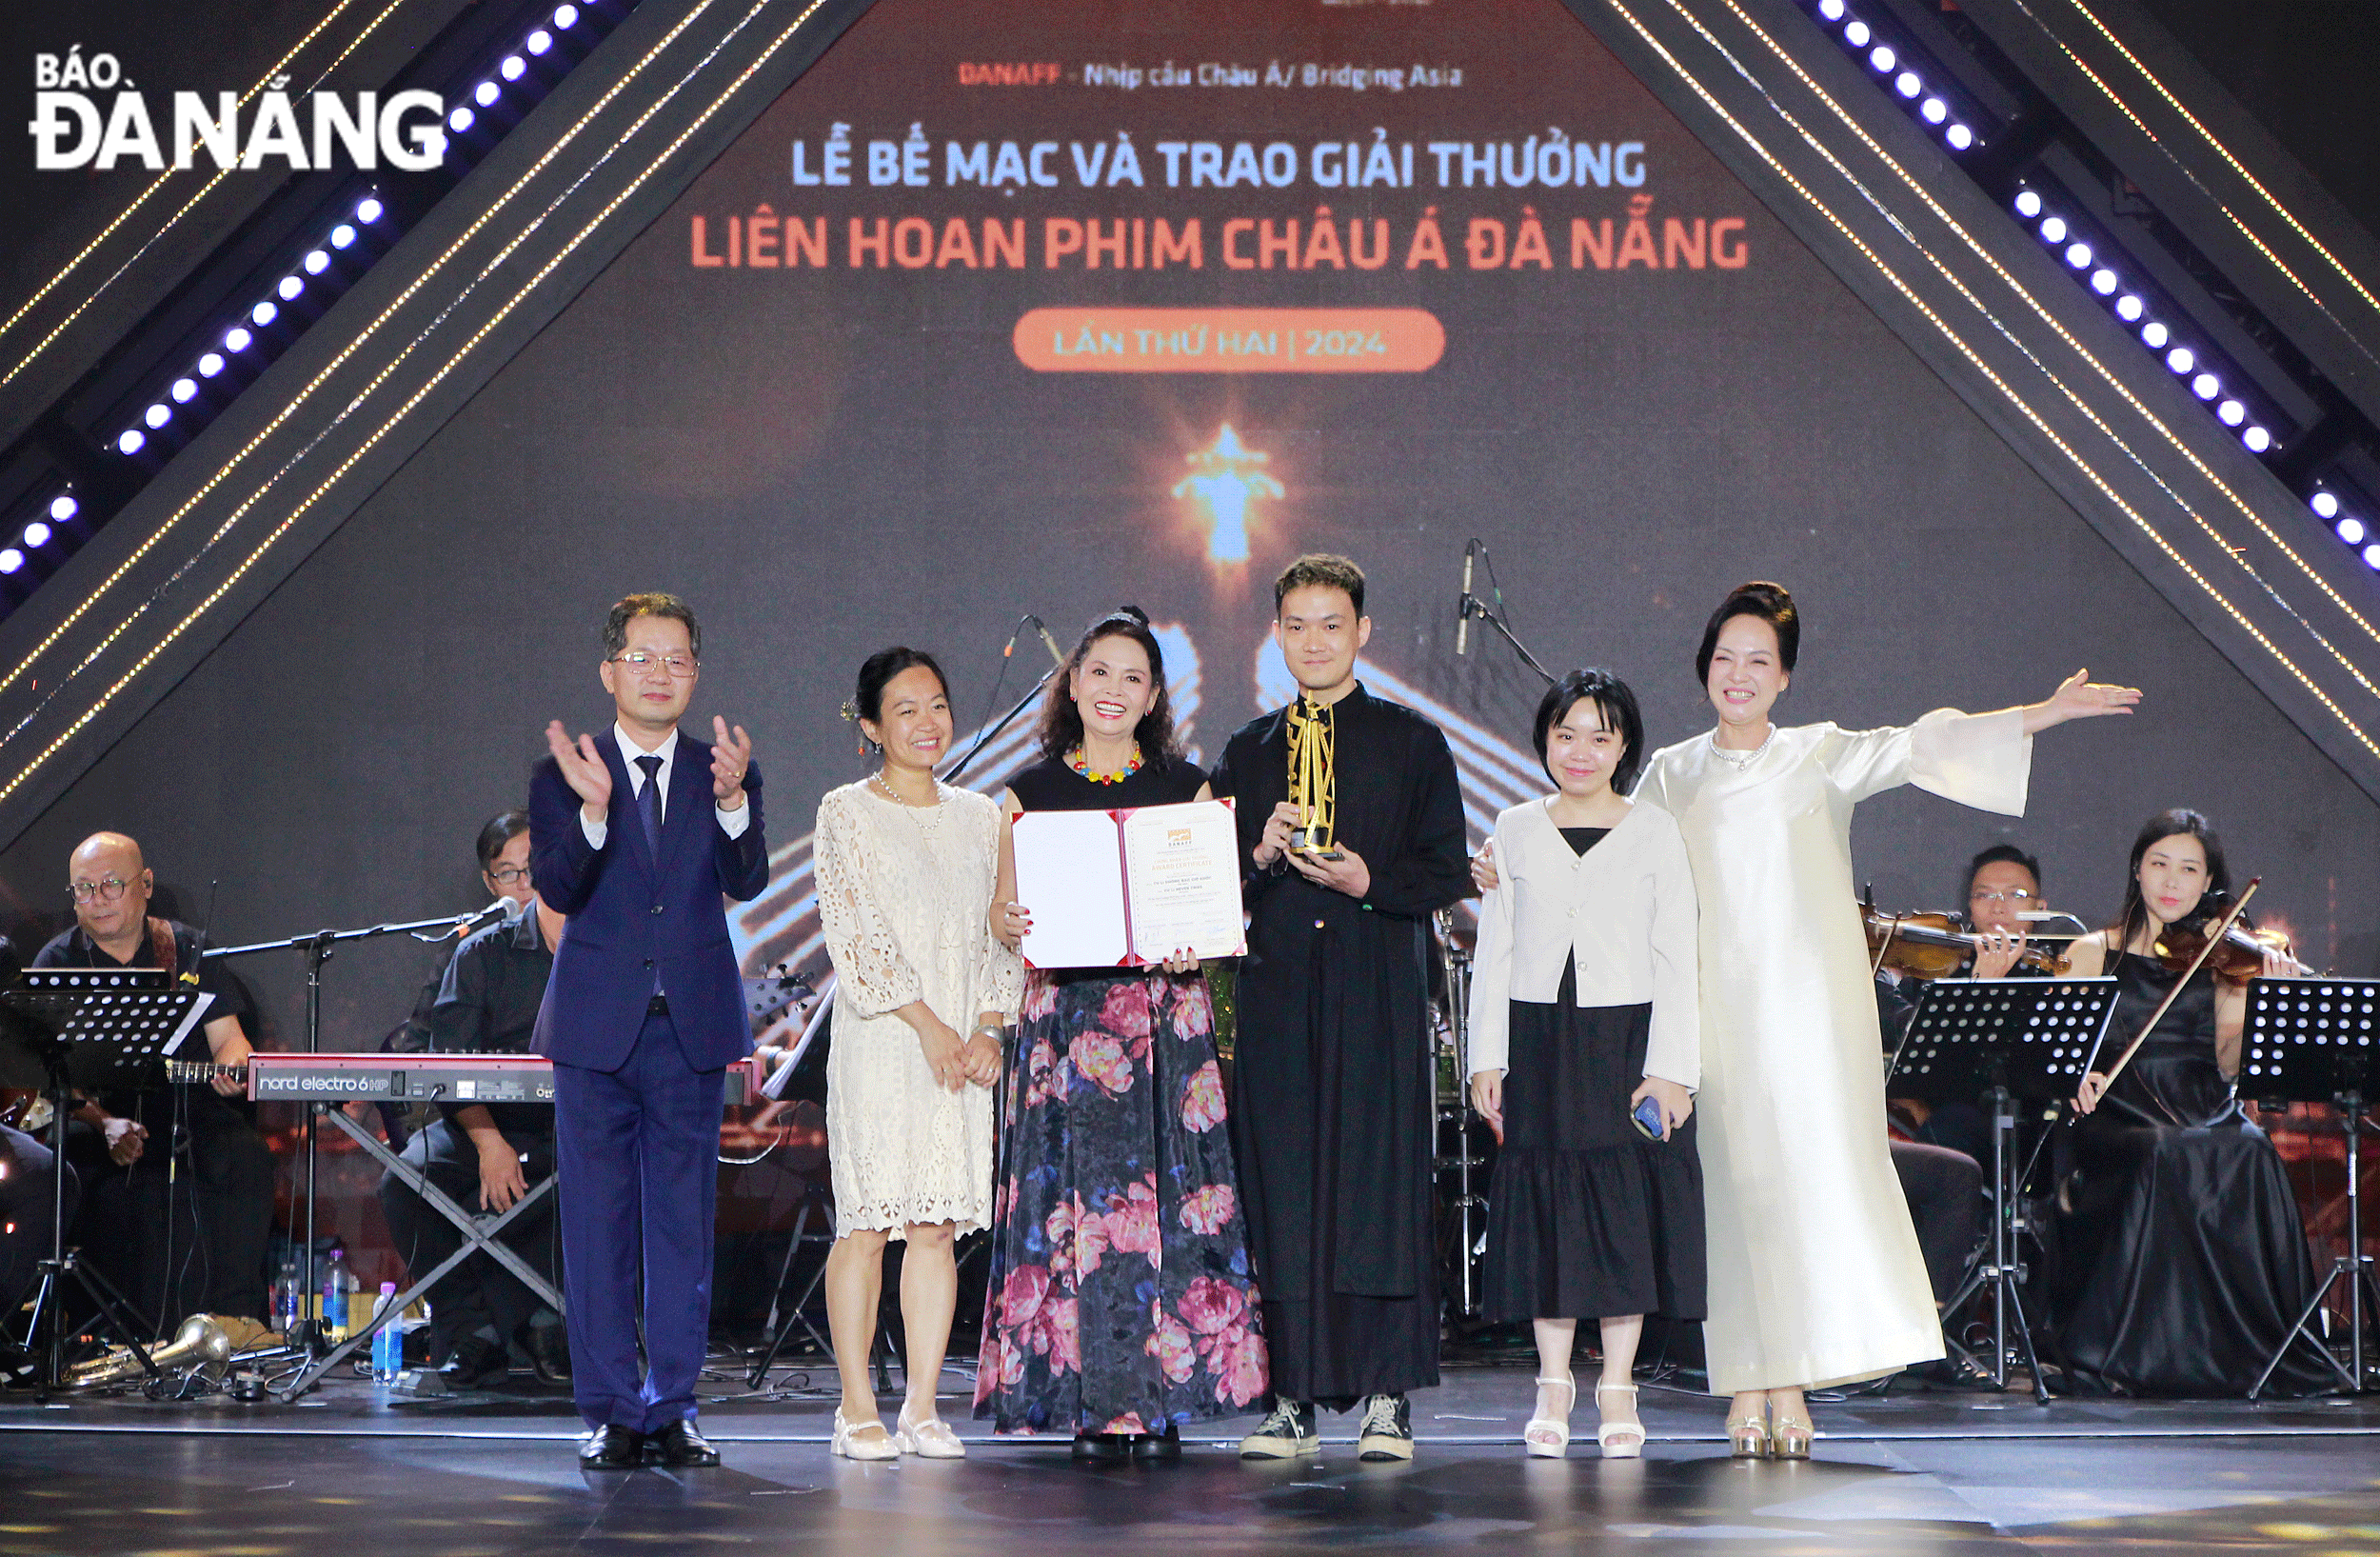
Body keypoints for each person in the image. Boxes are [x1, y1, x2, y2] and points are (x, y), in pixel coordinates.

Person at [1633, 581, 2136, 1457]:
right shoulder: (1672, 772)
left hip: (1814, 1019)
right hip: (1713, 1016)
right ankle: (1748, 1380)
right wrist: (1510, 867)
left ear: (1785, 676)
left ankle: (1787, 1378)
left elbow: (1924, 743)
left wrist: (2037, 715)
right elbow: (1618, 859)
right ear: (1704, 668)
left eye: (1760, 660)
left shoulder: (1818, 754)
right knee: (1737, 1198)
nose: (1739, 674)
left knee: (1805, 1194)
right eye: (1725, 658)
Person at [977, 609, 1265, 1461]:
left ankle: (1158, 1400)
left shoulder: (1189, 787)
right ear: (1073, 683)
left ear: (1152, 696)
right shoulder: (1028, 792)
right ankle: (1089, 1405)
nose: (1113, 689)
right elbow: (1003, 911)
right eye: (1098, 671)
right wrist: (1006, 915)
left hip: (1161, 1020)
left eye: (1132, 676)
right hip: (1067, 1021)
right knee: (1076, 1212)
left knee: (1164, 1209)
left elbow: (1215, 913)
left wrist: (1196, 937)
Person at [1209, 554, 1469, 1463]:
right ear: (1276, 633)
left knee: (1377, 1186)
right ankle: (1290, 1397)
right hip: (1278, 993)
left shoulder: (1411, 741)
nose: (1313, 640)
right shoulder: (1246, 749)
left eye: (1332, 623)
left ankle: (1388, 1396)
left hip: (1376, 989)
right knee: (1281, 1186)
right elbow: (1205, 894)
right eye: (1296, 624)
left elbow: (1445, 870)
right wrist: (1255, 853)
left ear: (1362, 631)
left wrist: (1370, 881)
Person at [532, 593, 768, 1469]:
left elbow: (748, 876)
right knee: (596, 1224)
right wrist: (592, 815)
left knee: (682, 1225)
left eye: (676, 659)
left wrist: (738, 802)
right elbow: (555, 887)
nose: (660, 672)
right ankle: (608, 1410)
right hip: (596, 1026)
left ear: (695, 674)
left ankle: (672, 1404)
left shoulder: (723, 767)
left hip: (692, 1026)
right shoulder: (565, 771)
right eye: (643, 657)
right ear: (610, 671)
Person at [1466, 669, 1701, 1459]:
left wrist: (1673, 1069)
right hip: (1538, 1037)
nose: (1580, 750)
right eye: (1566, 733)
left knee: (1622, 1213)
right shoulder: (1515, 826)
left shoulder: (1654, 830)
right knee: (1547, 1211)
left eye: (1600, 735)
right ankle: (1553, 1383)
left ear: (1624, 745)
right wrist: (1485, 1058)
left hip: (1626, 1040)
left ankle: (1620, 1386)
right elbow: (1492, 950)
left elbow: (1678, 957)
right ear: (1544, 739)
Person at [812, 648, 1021, 1461]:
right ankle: (856, 1404)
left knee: (935, 1227)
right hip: (885, 1043)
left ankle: (923, 1407)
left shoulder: (982, 816)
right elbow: (856, 937)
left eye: (937, 704)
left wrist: (990, 1029)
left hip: (964, 1052)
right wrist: (932, 1025)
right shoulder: (845, 811)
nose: (927, 721)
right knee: (868, 1223)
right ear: (870, 726)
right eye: (905, 709)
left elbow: (1007, 930)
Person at [2053, 808, 2328, 1395]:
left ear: (2208, 885)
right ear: (2137, 870)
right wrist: (2076, 1074)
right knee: (2162, 1152)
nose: (2172, 882)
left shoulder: (2221, 959)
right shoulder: (2091, 951)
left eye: (2188, 870)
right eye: (2159, 865)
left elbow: (2229, 1065)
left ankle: (2250, 1349)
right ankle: (2134, 1352)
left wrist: (2266, 996)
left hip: (2201, 1100)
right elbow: (2057, 1048)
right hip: (2121, 1108)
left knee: (2252, 1153)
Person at [34, 832, 272, 1340]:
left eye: (110, 885)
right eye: (82, 890)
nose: (95, 900)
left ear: (144, 886)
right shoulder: (57, 961)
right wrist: (102, 1122)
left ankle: (233, 1328)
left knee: (244, 1157)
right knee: (105, 1188)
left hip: (183, 1105)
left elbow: (229, 1038)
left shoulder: (184, 948)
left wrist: (235, 1065)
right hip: (94, 1116)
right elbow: (50, 1075)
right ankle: (109, 1339)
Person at [376, 809, 567, 1388]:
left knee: (594, 1172)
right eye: (510, 873)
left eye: (535, 868)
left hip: (572, 1124)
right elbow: (450, 1064)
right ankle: (467, 1332)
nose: (526, 883)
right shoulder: (479, 952)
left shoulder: (607, 945)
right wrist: (488, 1143)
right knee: (405, 1179)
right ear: (491, 882)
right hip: (481, 1121)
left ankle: (550, 1323)